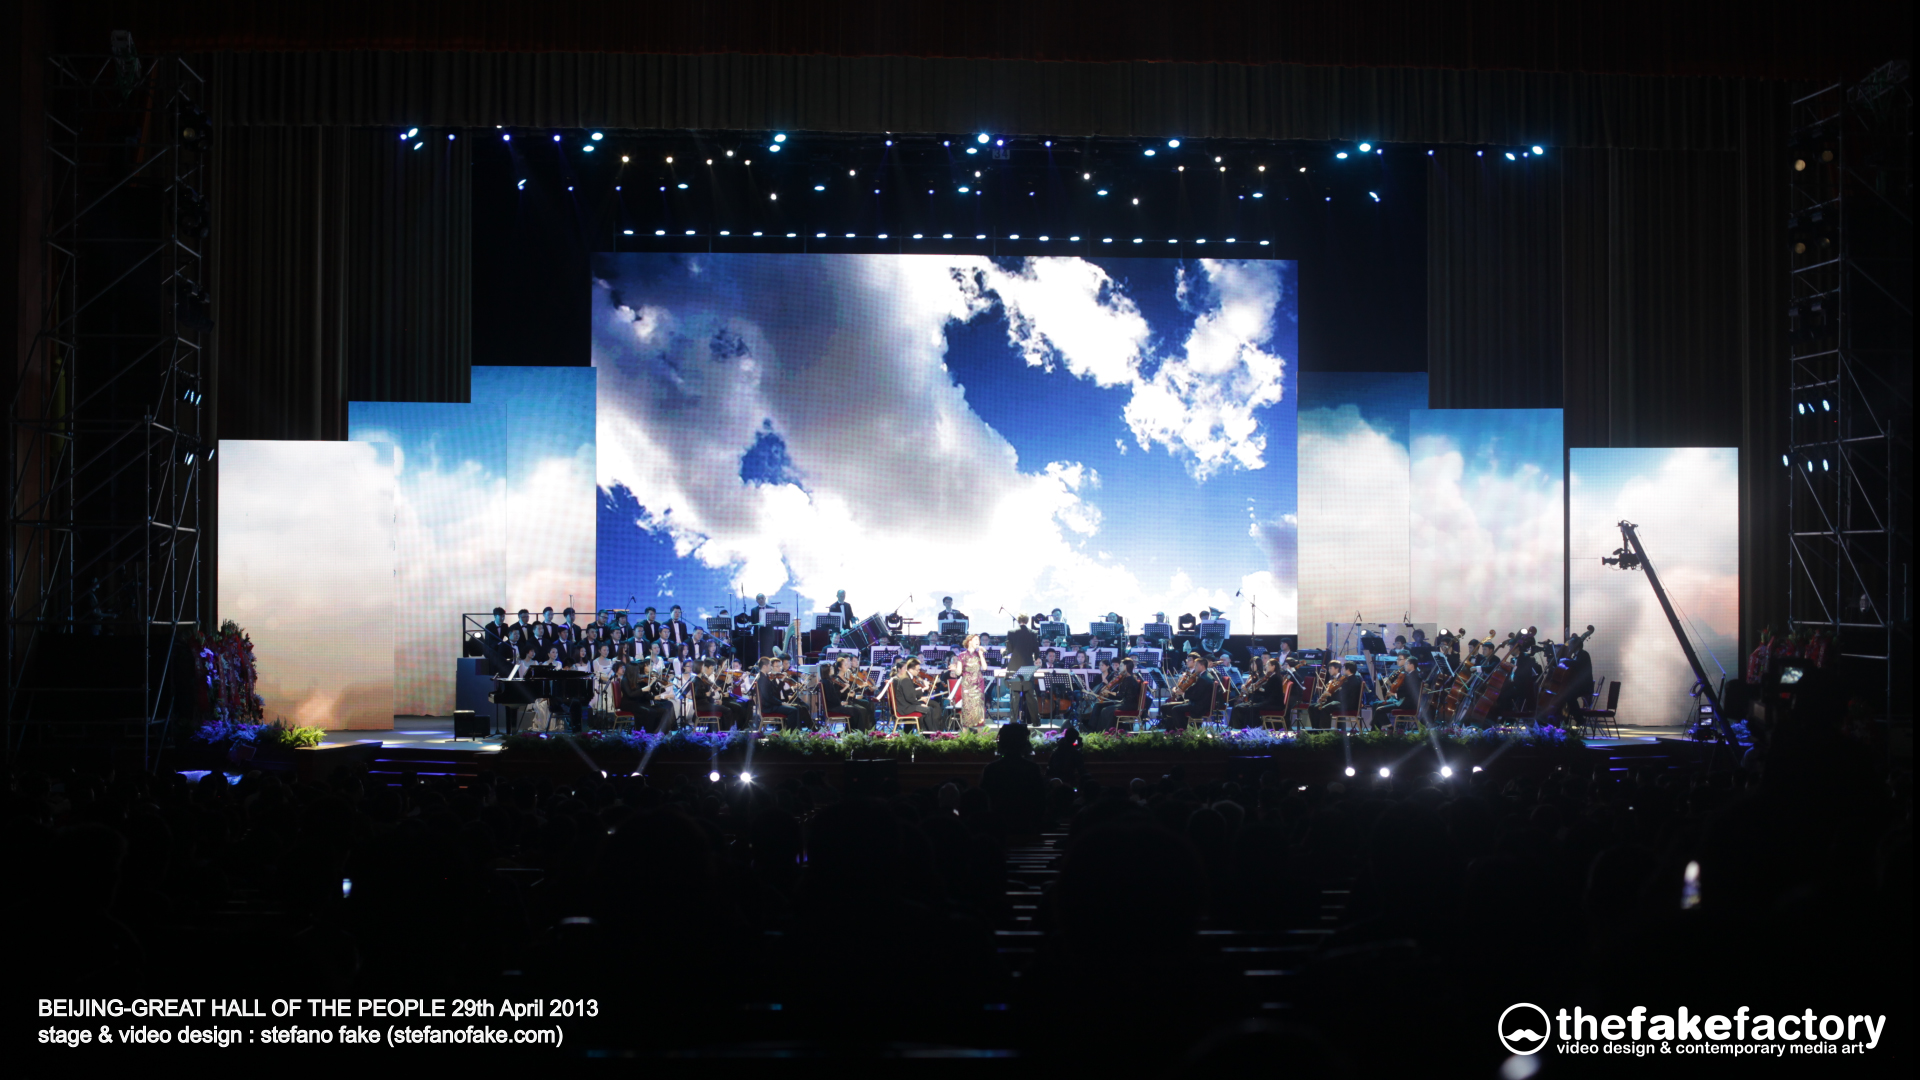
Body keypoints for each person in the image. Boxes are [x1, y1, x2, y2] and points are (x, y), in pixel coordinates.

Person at [979, 723, 1046, 834]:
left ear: (1002, 743)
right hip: (1025, 828)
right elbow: (1040, 802)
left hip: (997, 828)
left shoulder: (991, 769)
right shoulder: (1032, 769)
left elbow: (985, 802)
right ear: (1024, 744)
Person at [1159, 653, 1217, 731]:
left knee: (1175, 709)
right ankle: (1171, 729)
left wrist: (1183, 693)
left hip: (1199, 706)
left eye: (1196, 665)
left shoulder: (1203, 678)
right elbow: (1196, 692)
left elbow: (1196, 696)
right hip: (1197, 703)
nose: (1195, 667)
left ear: (1202, 666)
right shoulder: (1204, 676)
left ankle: (1183, 731)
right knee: (1166, 706)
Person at [1003, 613, 1042, 724]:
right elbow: (1036, 649)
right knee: (1030, 694)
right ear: (1028, 620)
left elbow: (1010, 650)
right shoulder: (1033, 633)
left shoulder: (1011, 632)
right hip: (1028, 665)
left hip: (1014, 666)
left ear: (1018, 620)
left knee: (1015, 695)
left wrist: (1003, 652)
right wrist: (1037, 658)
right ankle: (1036, 721)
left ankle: (1013, 722)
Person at [889, 658, 947, 730]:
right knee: (928, 710)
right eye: (917, 670)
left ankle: (929, 732)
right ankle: (931, 732)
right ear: (911, 670)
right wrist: (919, 704)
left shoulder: (907, 677)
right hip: (905, 707)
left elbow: (911, 693)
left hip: (907, 705)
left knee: (929, 709)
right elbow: (909, 697)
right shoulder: (905, 679)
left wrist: (920, 695)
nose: (919, 671)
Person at [757, 657, 812, 731]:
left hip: (772, 704)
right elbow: (768, 697)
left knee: (799, 708)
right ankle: (790, 733)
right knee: (793, 710)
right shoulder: (762, 679)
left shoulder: (765, 677)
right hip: (769, 707)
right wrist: (782, 703)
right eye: (770, 665)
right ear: (764, 666)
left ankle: (800, 731)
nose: (770, 667)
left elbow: (772, 693)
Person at [949, 634, 990, 730]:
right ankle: (965, 734)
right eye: (976, 639)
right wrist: (954, 669)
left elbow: (985, 668)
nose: (978, 642)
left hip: (978, 684)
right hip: (967, 685)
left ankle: (980, 734)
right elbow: (959, 672)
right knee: (967, 708)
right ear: (969, 641)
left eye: (978, 640)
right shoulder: (962, 655)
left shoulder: (979, 654)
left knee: (978, 708)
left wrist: (981, 654)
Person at [1089, 658, 1144, 729]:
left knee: (1106, 710)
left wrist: (1109, 692)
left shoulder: (1129, 679)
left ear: (1126, 666)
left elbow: (1120, 695)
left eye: (1121, 666)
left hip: (1129, 705)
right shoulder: (1127, 678)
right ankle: (1097, 729)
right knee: (1101, 707)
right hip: (1126, 703)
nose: (1119, 667)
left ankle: (1107, 731)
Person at [825, 655, 876, 731]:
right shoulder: (836, 680)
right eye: (845, 665)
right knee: (862, 709)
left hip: (850, 699)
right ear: (839, 668)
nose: (847, 666)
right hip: (845, 702)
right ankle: (859, 731)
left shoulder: (846, 678)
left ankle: (870, 728)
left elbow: (851, 690)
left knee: (869, 704)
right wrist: (847, 693)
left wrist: (859, 688)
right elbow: (837, 695)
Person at [1371, 654, 1422, 728]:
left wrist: (1394, 694)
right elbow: (1404, 690)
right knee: (1377, 705)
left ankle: (1389, 728)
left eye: (1406, 664)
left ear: (1411, 665)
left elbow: (1408, 692)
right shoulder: (1412, 676)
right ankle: (1375, 729)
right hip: (1403, 701)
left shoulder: (1413, 677)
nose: (1405, 665)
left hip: (1407, 704)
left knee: (1379, 710)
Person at [1309, 661, 1364, 728]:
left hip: (1348, 705)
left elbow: (1342, 695)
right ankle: (1316, 729)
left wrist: (1330, 695)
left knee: (1325, 709)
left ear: (1348, 670)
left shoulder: (1351, 681)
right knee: (1312, 707)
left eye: (1344, 668)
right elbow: (1341, 693)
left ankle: (1325, 731)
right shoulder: (1351, 679)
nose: (1342, 669)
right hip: (1344, 702)